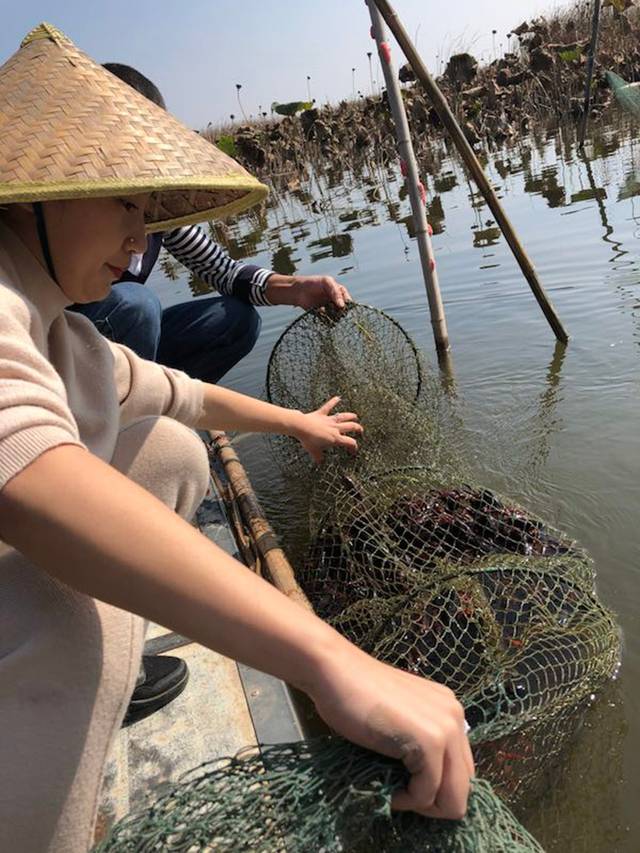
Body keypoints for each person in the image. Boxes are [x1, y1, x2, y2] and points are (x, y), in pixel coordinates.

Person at [0, 24, 473, 853]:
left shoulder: (63, 334)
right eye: (125, 203)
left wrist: (298, 421)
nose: (141, 240)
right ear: (41, 185)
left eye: (149, 212)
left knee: (175, 451)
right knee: (82, 636)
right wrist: (329, 660)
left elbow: (175, 392)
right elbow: (30, 476)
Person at [71, 63, 352, 383]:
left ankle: (171, 406)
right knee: (136, 305)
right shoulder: (65, 212)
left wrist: (297, 288)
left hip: (128, 348)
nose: (139, 237)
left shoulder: (159, 208)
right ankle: (131, 416)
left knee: (236, 320)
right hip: (62, 355)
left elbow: (224, 271)